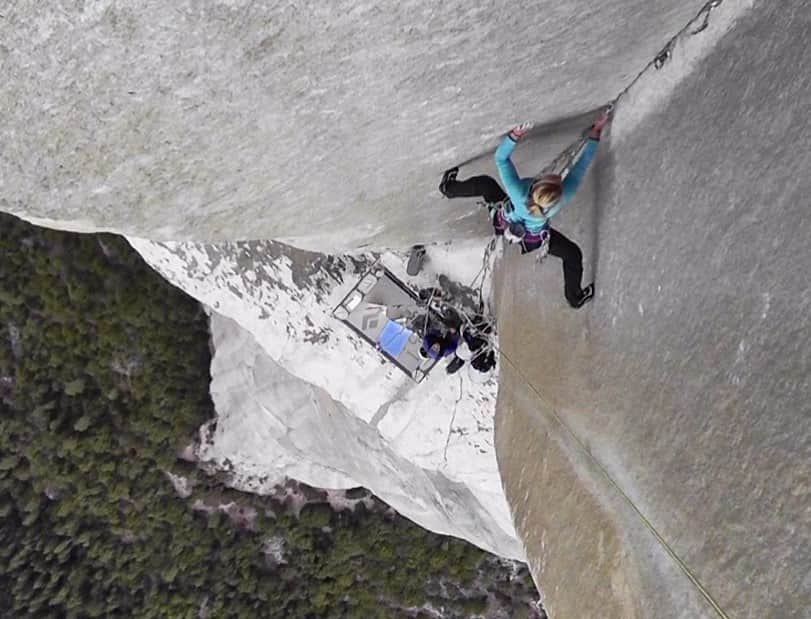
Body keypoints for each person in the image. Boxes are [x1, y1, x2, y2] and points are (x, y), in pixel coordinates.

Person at [439, 111, 610, 309]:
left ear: (537, 184)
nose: (557, 176)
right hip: (534, 239)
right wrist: (595, 133)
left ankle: (448, 188)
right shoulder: (561, 199)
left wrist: (515, 136)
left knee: (485, 184)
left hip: (507, 219)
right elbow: (580, 168)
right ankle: (575, 297)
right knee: (572, 254)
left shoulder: (519, 193)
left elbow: (501, 159)